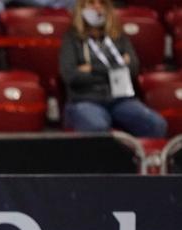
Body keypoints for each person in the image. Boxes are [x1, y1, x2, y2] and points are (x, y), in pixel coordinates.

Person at [59, 0, 167, 137]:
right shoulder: (72, 38)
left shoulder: (118, 36)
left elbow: (133, 69)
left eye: (102, 3)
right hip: (85, 99)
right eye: (91, 3)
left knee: (156, 124)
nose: (97, 7)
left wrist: (91, 69)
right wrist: (117, 66)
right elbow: (70, 76)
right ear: (81, 9)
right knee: (97, 127)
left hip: (120, 98)